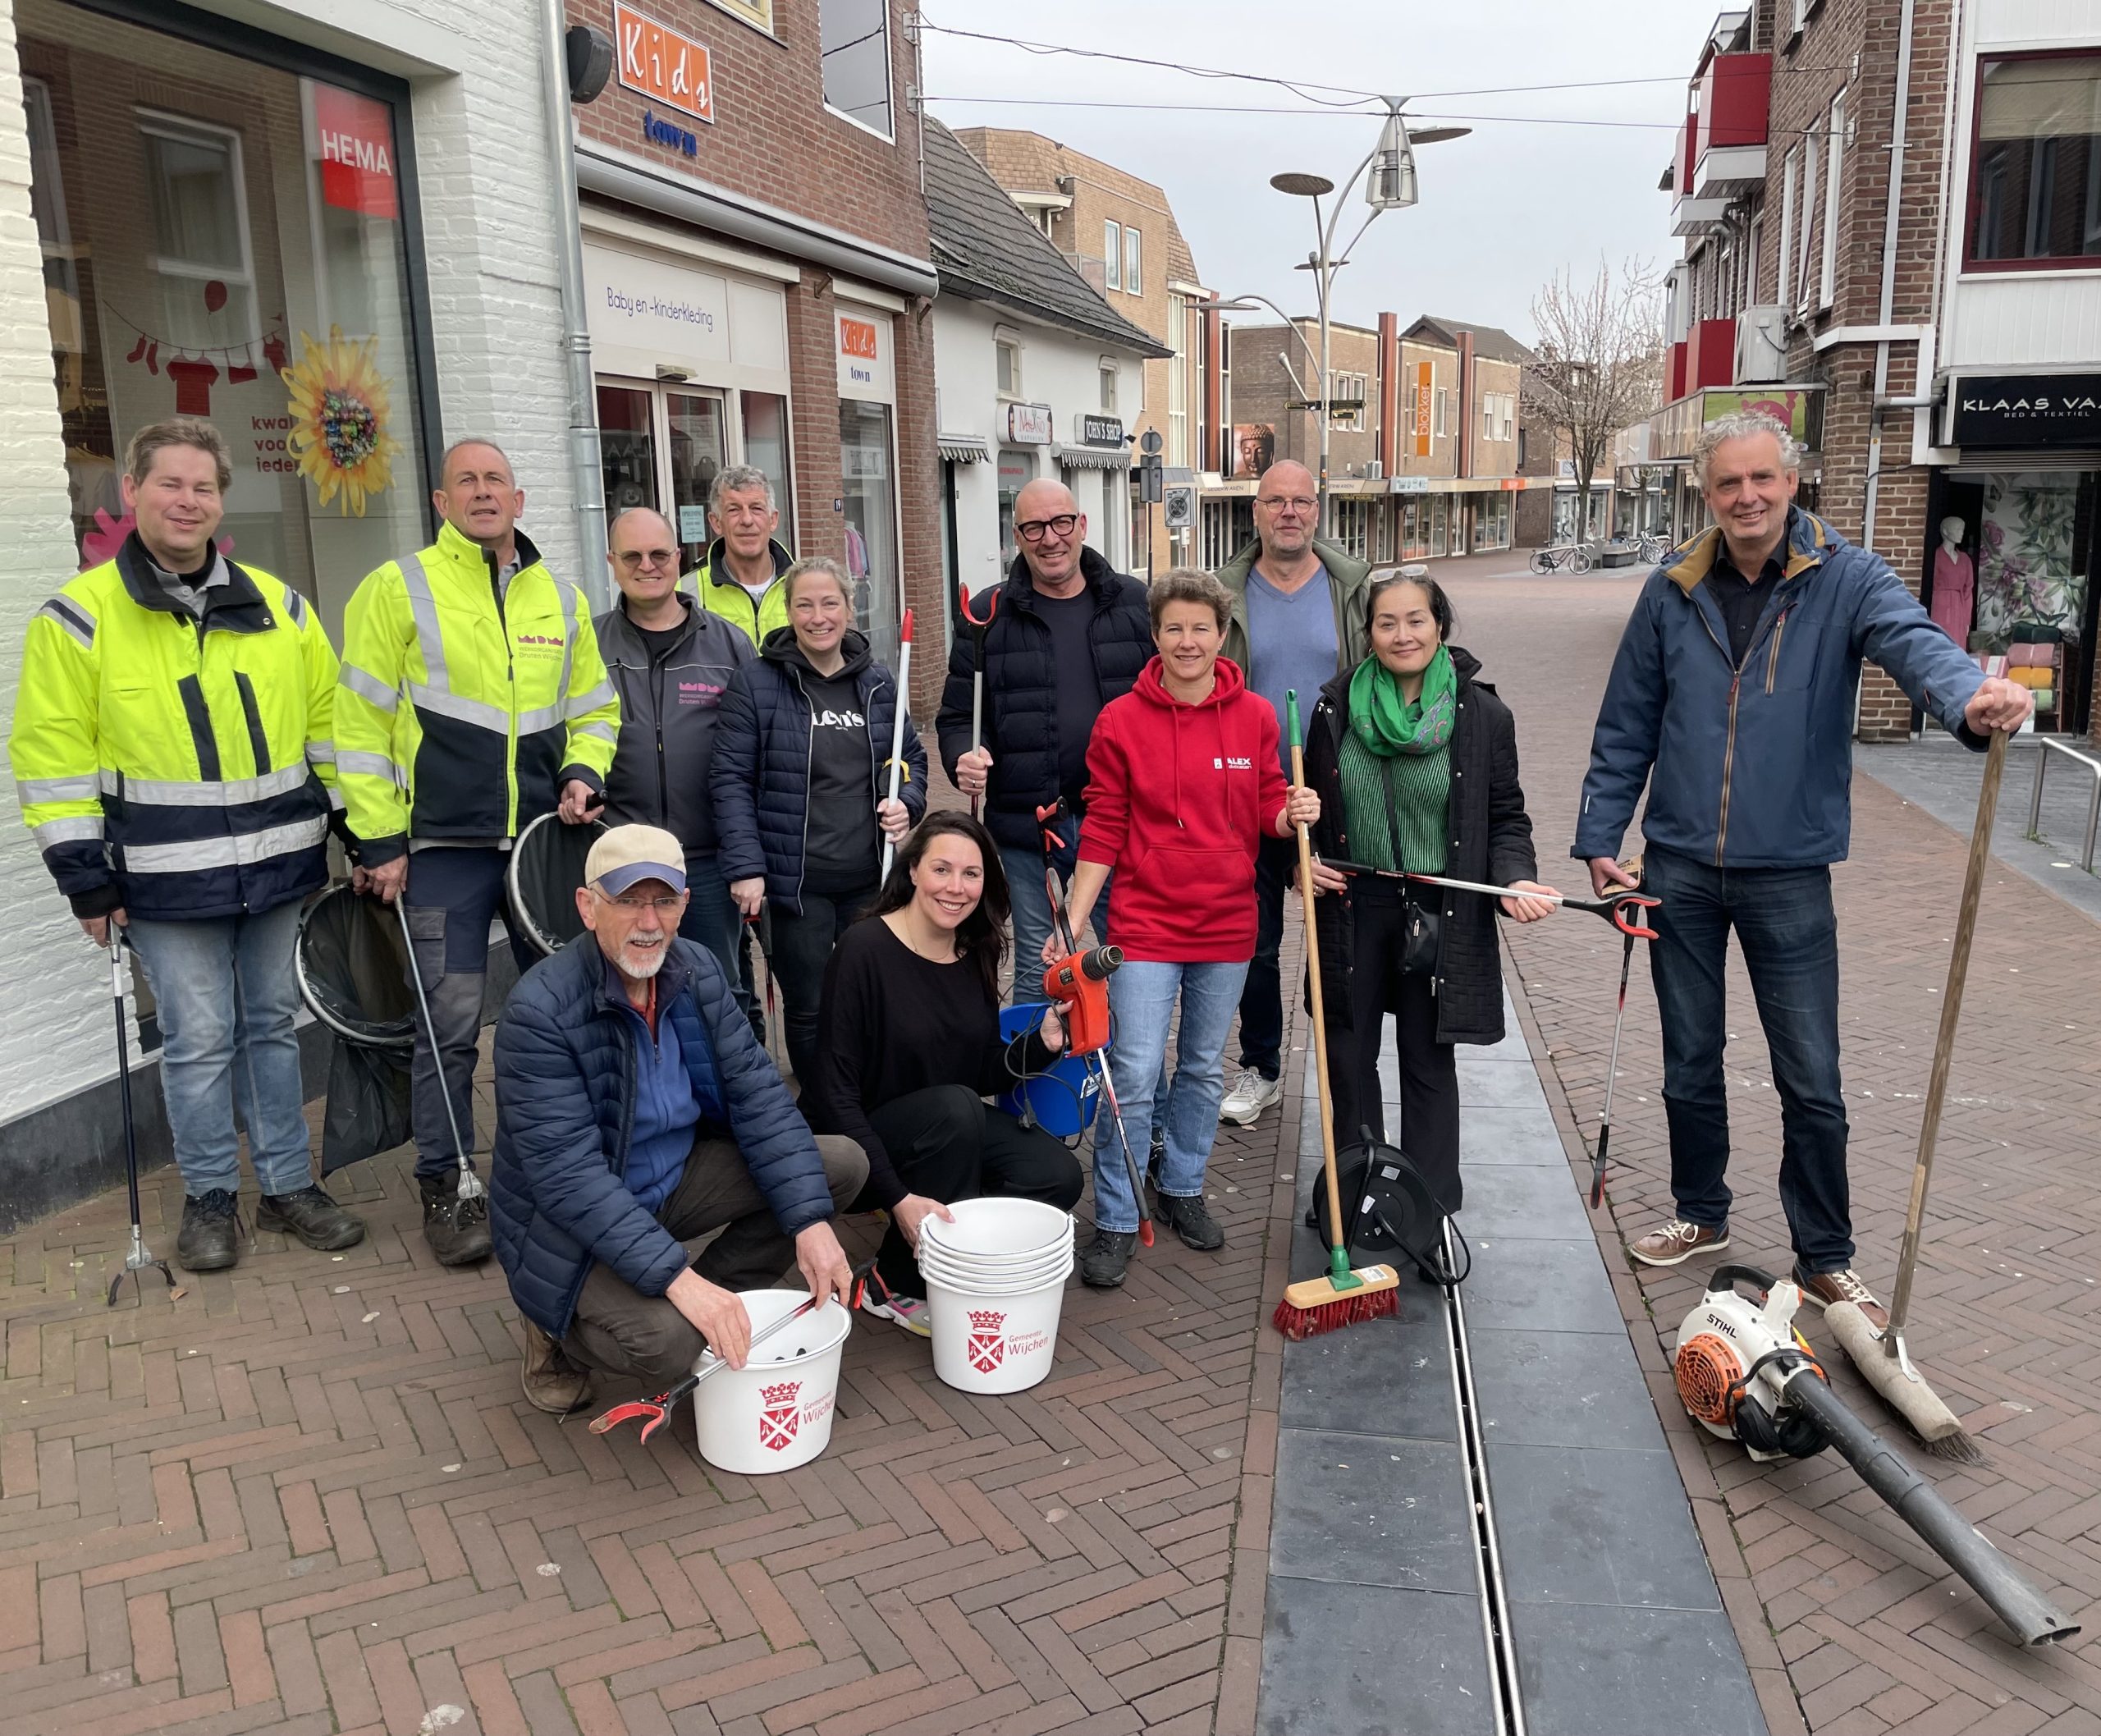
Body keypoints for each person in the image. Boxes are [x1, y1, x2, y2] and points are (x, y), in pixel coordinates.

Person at [1577, 410, 2033, 1326]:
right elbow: (1627, 719)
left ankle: (1824, 1254)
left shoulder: (1848, 577)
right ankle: (1701, 1213)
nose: (1745, 497)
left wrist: (1969, 695)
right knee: (1687, 1060)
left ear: (1791, 483)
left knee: (1810, 1073)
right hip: (1677, 867)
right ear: (1706, 495)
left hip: (1787, 869)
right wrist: (1599, 834)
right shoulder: (1672, 590)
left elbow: (1912, 643)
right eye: (1726, 485)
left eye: (1761, 480)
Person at [10, 418, 363, 1271]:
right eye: (169, 483)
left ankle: (284, 1187)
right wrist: (84, 881)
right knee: (200, 1040)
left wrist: (362, 825)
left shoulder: (279, 607)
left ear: (220, 501)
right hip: (166, 886)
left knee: (273, 1029)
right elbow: (52, 757)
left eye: (203, 487)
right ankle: (210, 1198)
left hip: (279, 870)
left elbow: (331, 730)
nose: (187, 501)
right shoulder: (79, 620)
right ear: (131, 492)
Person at [336, 439, 620, 1267]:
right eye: (466, 480)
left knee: (566, 1014)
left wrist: (580, 771)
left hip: (542, 845)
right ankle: (451, 1184)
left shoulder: (559, 599)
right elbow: (355, 728)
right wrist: (379, 838)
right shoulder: (397, 589)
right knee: (450, 1024)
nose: (482, 491)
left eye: (496, 479)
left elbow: (596, 709)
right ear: (441, 499)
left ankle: (566, 1170)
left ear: (519, 498)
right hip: (446, 851)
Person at [489, 825, 867, 1415]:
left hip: (673, 1178)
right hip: (569, 1219)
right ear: (588, 907)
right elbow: (570, 1181)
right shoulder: (539, 1013)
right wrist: (682, 1283)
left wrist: (811, 1221)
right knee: (666, 1347)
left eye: (664, 900)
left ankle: (709, 1304)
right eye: (628, 900)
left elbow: (758, 1095)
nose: (649, 921)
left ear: (685, 904)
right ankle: (552, 1327)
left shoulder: (696, 969)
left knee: (837, 1168)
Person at [1054, 569, 1321, 1289]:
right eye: (1174, 627)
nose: (1187, 640)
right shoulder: (1121, 721)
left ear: (1223, 633)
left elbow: (1266, 803)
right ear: (1156, 634)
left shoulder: (1257, 717)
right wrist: (1074, 921)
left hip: (1228, 922)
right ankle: (1115, 1215)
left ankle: (1180, 1186)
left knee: (1202, 1067)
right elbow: (1104, 824)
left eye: (1200, 627)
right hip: (1142, 924)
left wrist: (1289, 812)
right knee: (1135, 1073)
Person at [1304, 570, 1557, 1212]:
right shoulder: (1333, 709)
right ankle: (1353, 1189)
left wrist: (1515, 877)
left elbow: (1506, 817)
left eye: (1416, 619)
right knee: (1348, 1056)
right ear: (1368, 633)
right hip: (1352, 906)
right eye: (1386, 622)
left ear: (1439, 624)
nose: (1402, 634)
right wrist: (1300, 857)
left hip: (1437, 911)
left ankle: (1426, 1205)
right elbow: (1306, 817)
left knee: (1426, 1056)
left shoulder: (1483, 715)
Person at [802, 813, 1084, 1335]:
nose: (957, 888)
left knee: (1056, 1176)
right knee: (954, 1110)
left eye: (972, 874)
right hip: (858, 1145)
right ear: (912, 871)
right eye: (942, 869)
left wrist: (1041, 1045)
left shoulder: (974, 949)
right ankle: (894, 1282)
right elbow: (832, 1097)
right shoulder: (863, 949)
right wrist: (898, 1198)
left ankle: (957, 1241)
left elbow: (980, 1071)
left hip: (946, 1128)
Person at [711, 557, 927, 1087]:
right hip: (796, 888)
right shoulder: (758, 683)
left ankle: (868, 1098)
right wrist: (745, 866)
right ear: (788, 612)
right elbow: (730, 778)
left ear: (850, 609)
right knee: (808, 1008)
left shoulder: (876, 682)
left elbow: (911, 760)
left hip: (868, 884)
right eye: (804, 604)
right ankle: (824, 1111)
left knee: (871, 997)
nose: (818, 616)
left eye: (830, 602)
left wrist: (906, 801)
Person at [1211, 460, 1375, 1130]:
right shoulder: (1224, 592)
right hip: (1248, 792)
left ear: (1317, 509)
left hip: (1333, 792)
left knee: (1337, 936)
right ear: (1255, 511)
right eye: (1274, 500)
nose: (1288, 512)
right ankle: (1263, 1068)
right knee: (1254, 940)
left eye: (1300, 501)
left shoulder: (1353, 590)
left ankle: (1345, 1067)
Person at [936, 478, 1152, 978]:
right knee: (1041, 966)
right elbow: (957, 718)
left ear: (1081, 526)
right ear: (1017, 535)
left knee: (1128, 959)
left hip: (1121, 820)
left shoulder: (1136, 604)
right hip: (1029, 823)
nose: (1049, 538)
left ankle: (1123, 1058)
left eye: (1060, 523)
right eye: (1034, 527)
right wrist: (963, 757)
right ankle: (1039, 1060)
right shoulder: (985, 617)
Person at [594, 506, 756, 1018]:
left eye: (659, 554)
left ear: (678, 558)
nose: (648, 565)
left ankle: (733, 1095)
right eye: (633, 555)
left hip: (706, 858)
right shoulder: (588, 644)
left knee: (719, 988)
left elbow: (762, 747)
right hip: (620, 861)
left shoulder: (729, 643)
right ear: (612, 563)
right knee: (628, 991)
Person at [693, 465, 794, 644]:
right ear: (716, 523)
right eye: (733, 510)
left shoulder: (803, 584)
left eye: (757, 508)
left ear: (773, 520)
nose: (747, 520)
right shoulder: (687, 593)